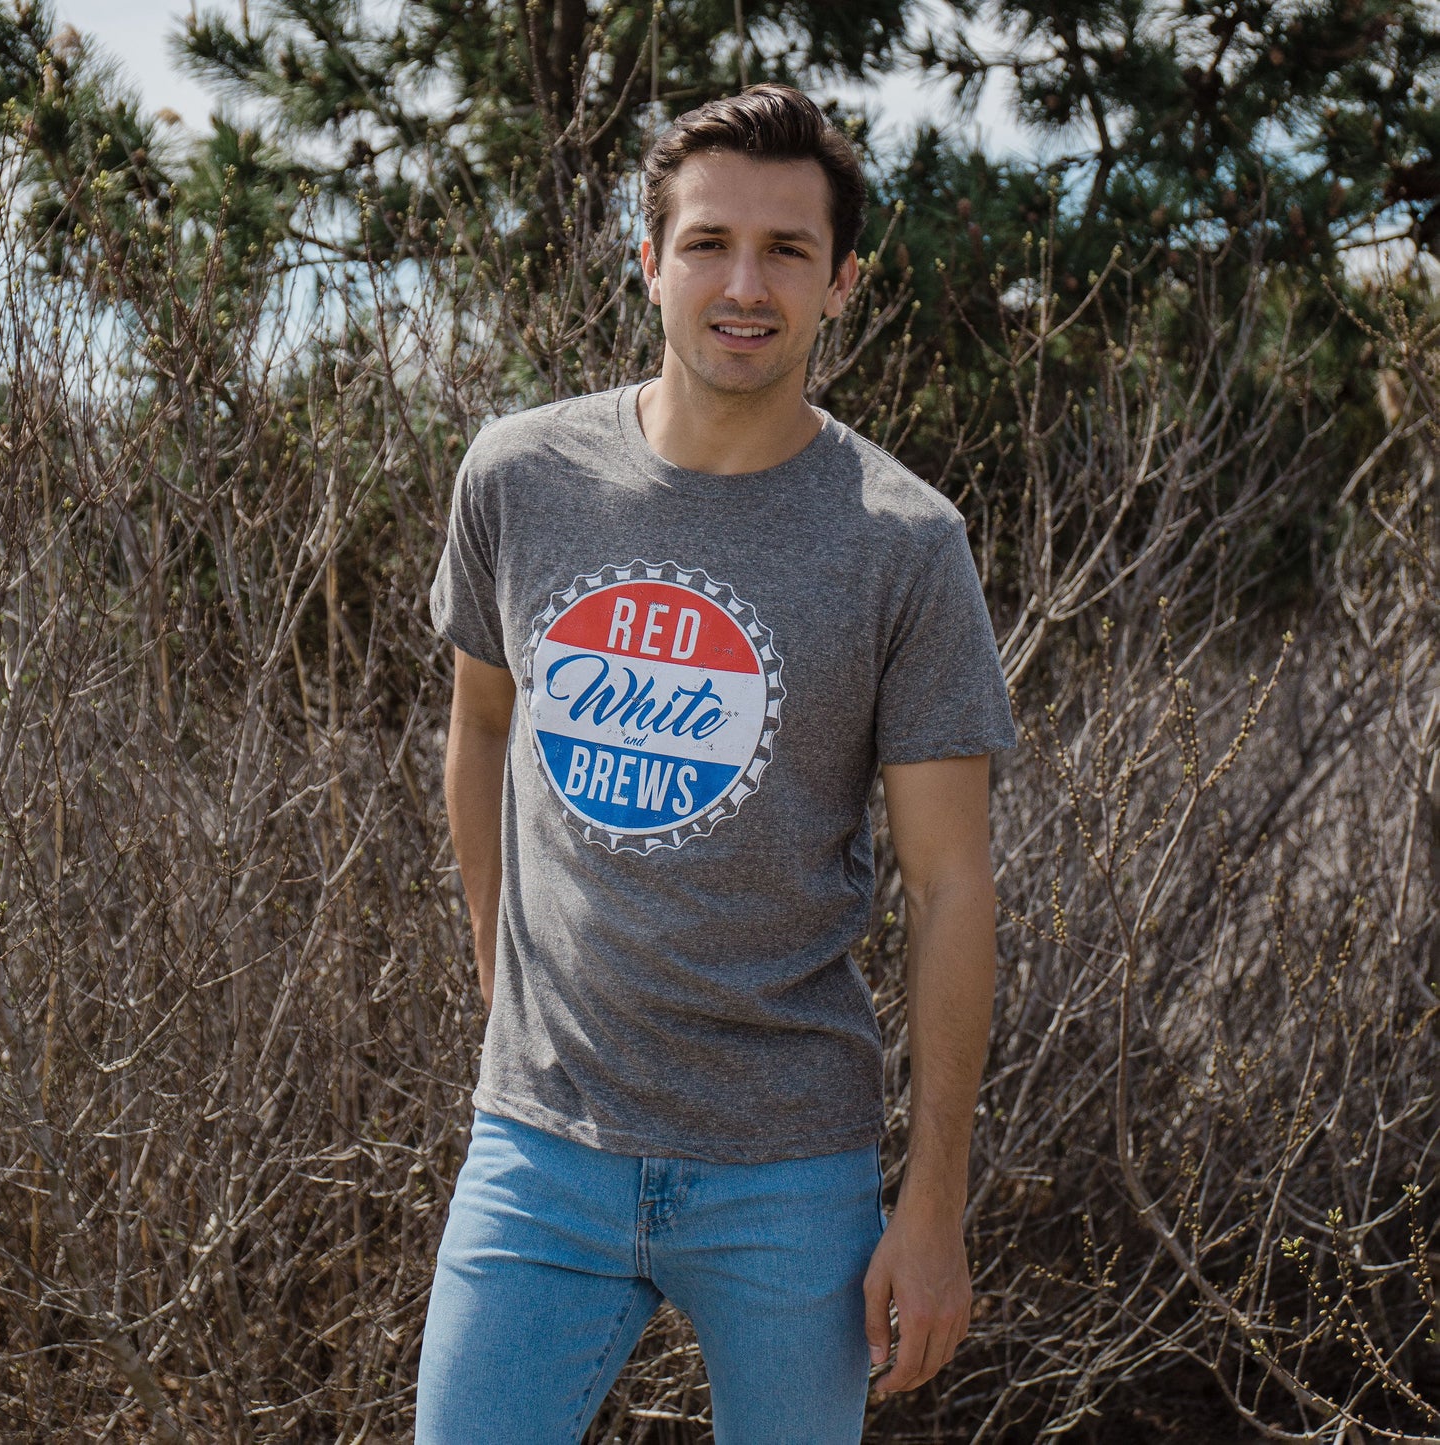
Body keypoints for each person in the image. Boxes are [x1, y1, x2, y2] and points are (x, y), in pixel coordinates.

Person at [416, 83, 1015, 1444]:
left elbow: (951, 878)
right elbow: (482, 728)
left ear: (840, 283)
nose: (742, 283)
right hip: (538, 1153)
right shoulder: (518, 476)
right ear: (649, 262)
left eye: (786, 251)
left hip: (790, 1175)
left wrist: (928, 1208)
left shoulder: (902, 544)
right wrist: (499, 980)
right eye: (706, 243)